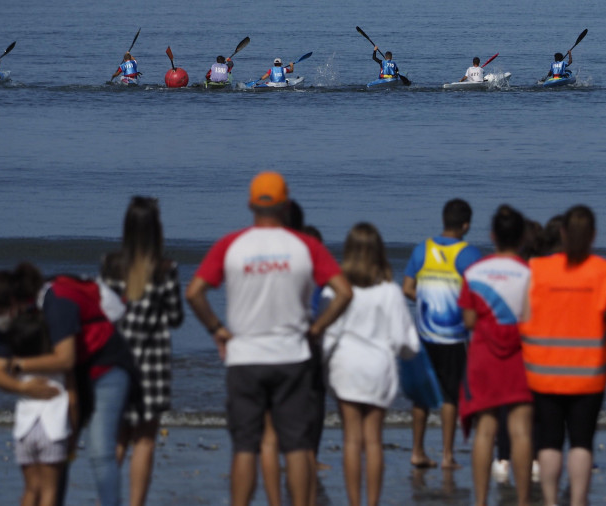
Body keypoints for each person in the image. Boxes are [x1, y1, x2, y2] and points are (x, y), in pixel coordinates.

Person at [185, 171, 353, 506]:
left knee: (246, 446)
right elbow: (344, 292)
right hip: (291, 356)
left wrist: (217, 328)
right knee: (296, 445)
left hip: (245, 357)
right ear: (285, 204)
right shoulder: (305, 245)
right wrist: (317, 328)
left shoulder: (232, 244)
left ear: (250, 204)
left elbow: (194, 292)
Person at [0, 263, 137, 506]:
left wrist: (19, 366)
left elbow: (65, 359)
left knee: (100, 450)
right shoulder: (11, 319)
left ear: (13, 302)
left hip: (105, 366)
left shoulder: (57, 302)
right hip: (71, 376)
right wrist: (23, 388)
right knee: (56, 462)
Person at [519, 205, 606, 506]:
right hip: (588, 373)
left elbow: (520, 313)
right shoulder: (603, 270)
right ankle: (577, 501)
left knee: (549, 442)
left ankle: (549, 501)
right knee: (581, 442)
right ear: (593, 236)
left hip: (543, 369)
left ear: (561, 232)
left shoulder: (536, 270)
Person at [322, 223, 419, 506]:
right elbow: (407, 343)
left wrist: (323, 368)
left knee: (351, 439)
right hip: (378, 369)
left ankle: (354, 502)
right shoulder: (389, 291)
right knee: (374, 439)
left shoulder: (336, 292)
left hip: (346, 366)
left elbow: (328, 334)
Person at [100, 196, 184, 506]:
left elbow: (103, 313)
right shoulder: (165, 269)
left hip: (116, 363)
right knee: (145, 440)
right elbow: (175, 317)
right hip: (152, 366)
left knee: (118, 440)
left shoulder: (110, 265)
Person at [458, 205, 533, 506]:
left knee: (485, 431)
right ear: (523, 237)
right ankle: (525, 499)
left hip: (483, 357)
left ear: (492, 236)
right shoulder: (530, 274)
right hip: (519, 357)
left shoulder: (475, 271)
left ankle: (480, 501)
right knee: (521, 431)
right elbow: (530, 319)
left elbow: (468, 320)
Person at [402, 198, 482, 469]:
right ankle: (447, 456)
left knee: (421, 396)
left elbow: (407, 288)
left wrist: (424, 300)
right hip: (453, 336)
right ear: (466, 225)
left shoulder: (421, 249)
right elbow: (479, 295)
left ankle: (417, 451)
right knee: (450, 396)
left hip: (424, 334)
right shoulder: (469, 255)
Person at [0, 305, 75, 506]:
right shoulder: (60, 368)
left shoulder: (20, 368)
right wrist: (74, 429)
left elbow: (0, 373)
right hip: (53, 429)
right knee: (49, 491)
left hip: (24, 428)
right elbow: (74, 400)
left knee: (30, 488)